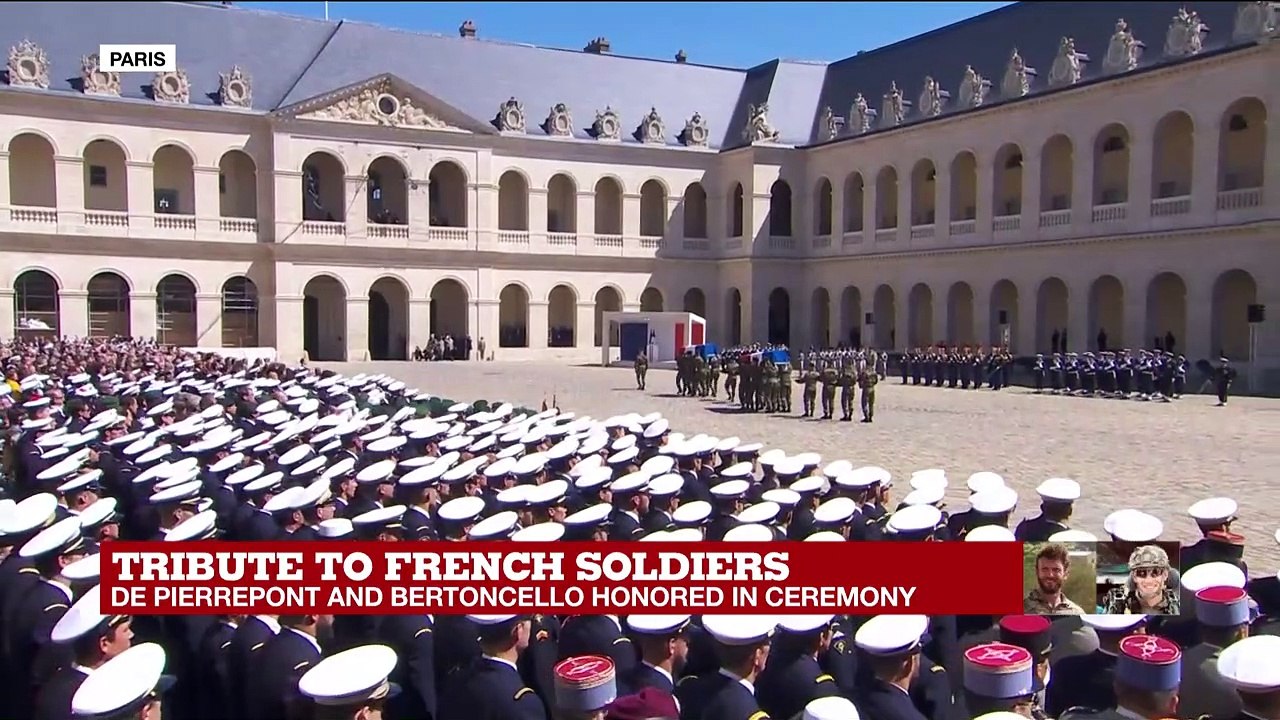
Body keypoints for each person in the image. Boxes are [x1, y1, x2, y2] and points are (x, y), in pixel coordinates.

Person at [1102, 545, 1180, 616]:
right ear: (1134, 577)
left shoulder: (1178, 605)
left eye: (1155, 572)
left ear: (1165, 575)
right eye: (1141, 573)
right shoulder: (1117, 605)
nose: (1148, 580)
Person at [1023, 543, 1087, 615]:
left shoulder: (1077, 613)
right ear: (1037, 572)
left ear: (1065, 574)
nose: (1050, 575)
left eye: (1056, 570)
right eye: (1045, 569)